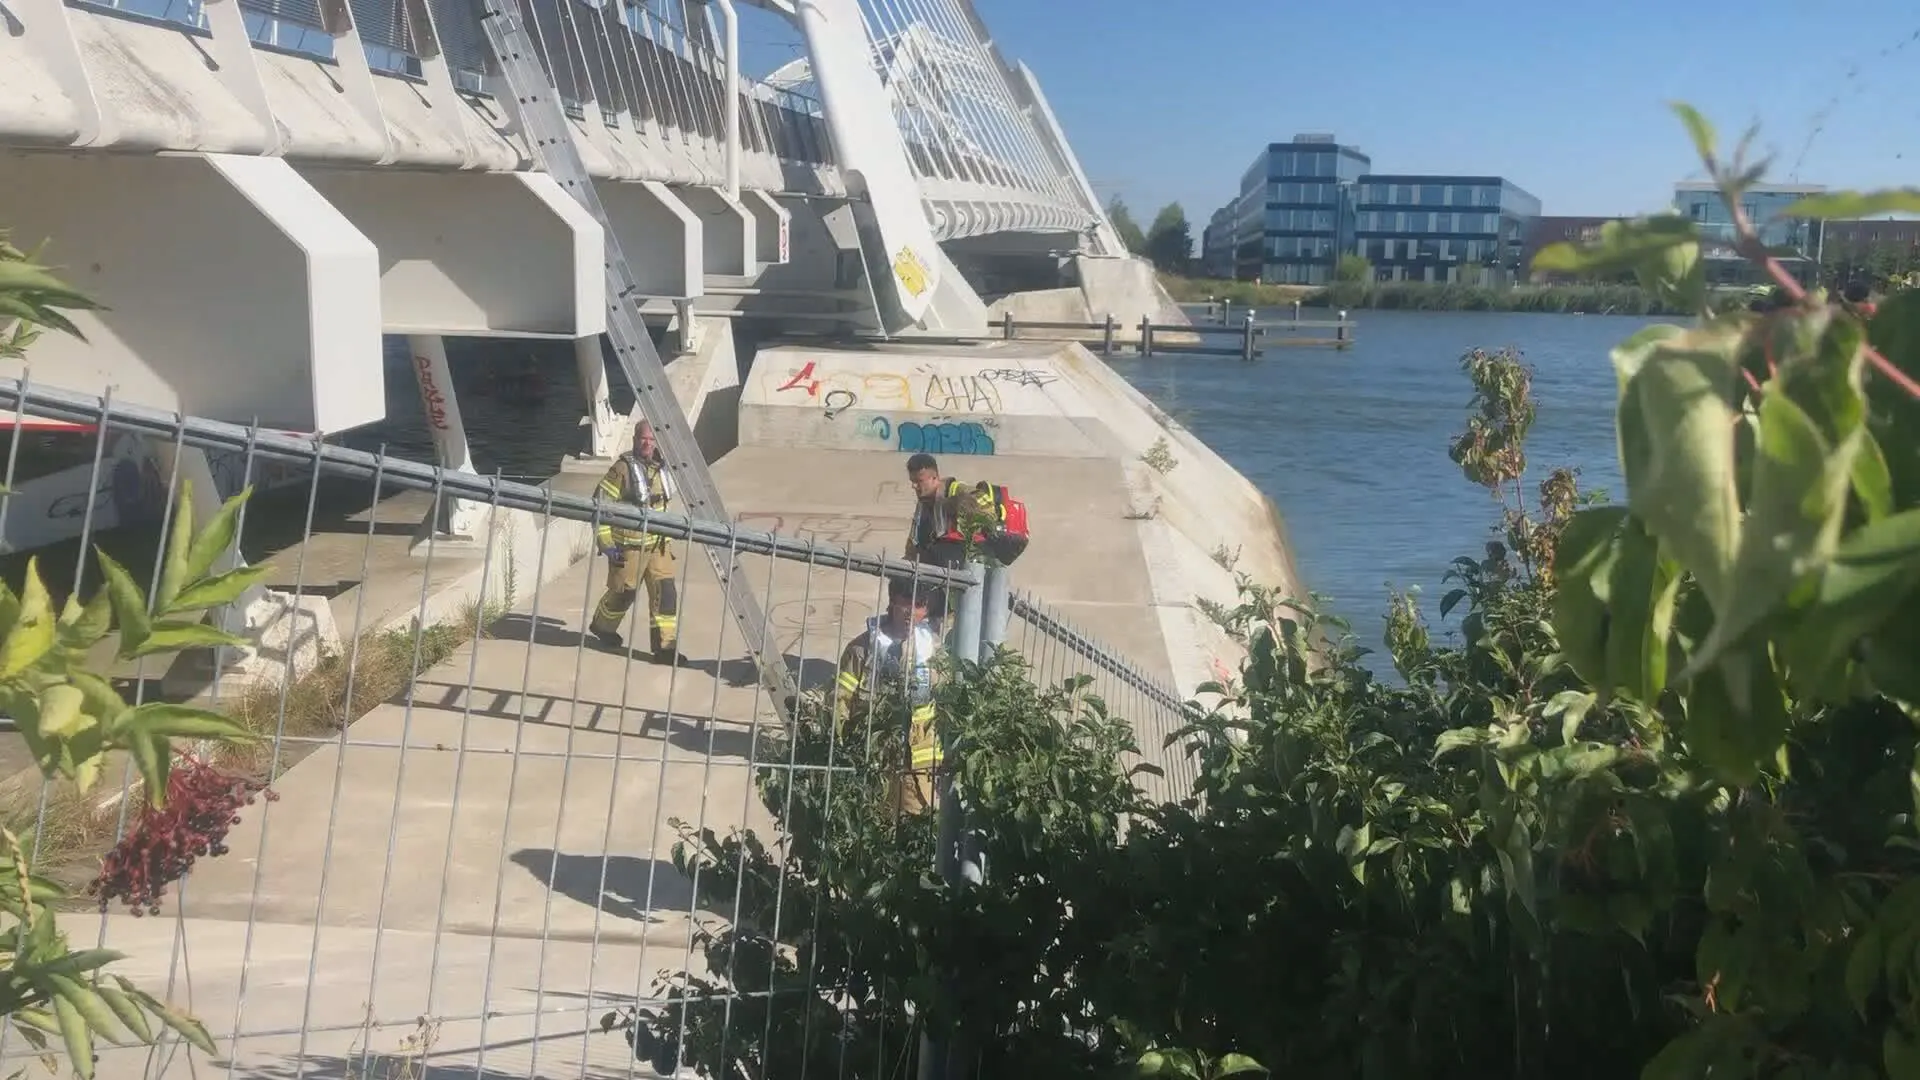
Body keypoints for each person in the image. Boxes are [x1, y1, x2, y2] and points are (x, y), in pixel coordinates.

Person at [834, 576, 942, 818]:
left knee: (918, 839)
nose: (912, 612)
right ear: (893, 600)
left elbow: (947, 703)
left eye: (920, 605)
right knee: (875, 832)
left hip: (919, 770)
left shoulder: (932, 649)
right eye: (907, 602)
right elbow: (839, 705)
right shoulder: (862, 650)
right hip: (874, 765)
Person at [588, 421, 680, 663]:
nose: (647, 443)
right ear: (634, 439)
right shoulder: (621, 470)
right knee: (623, 594)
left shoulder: (662, 468)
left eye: (651, 439)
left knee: (666, 595)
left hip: (659, 546)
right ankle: (602, 627)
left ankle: (665, 648)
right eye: (643, 438)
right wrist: (606, 544)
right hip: (628, 548)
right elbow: (600, 507)